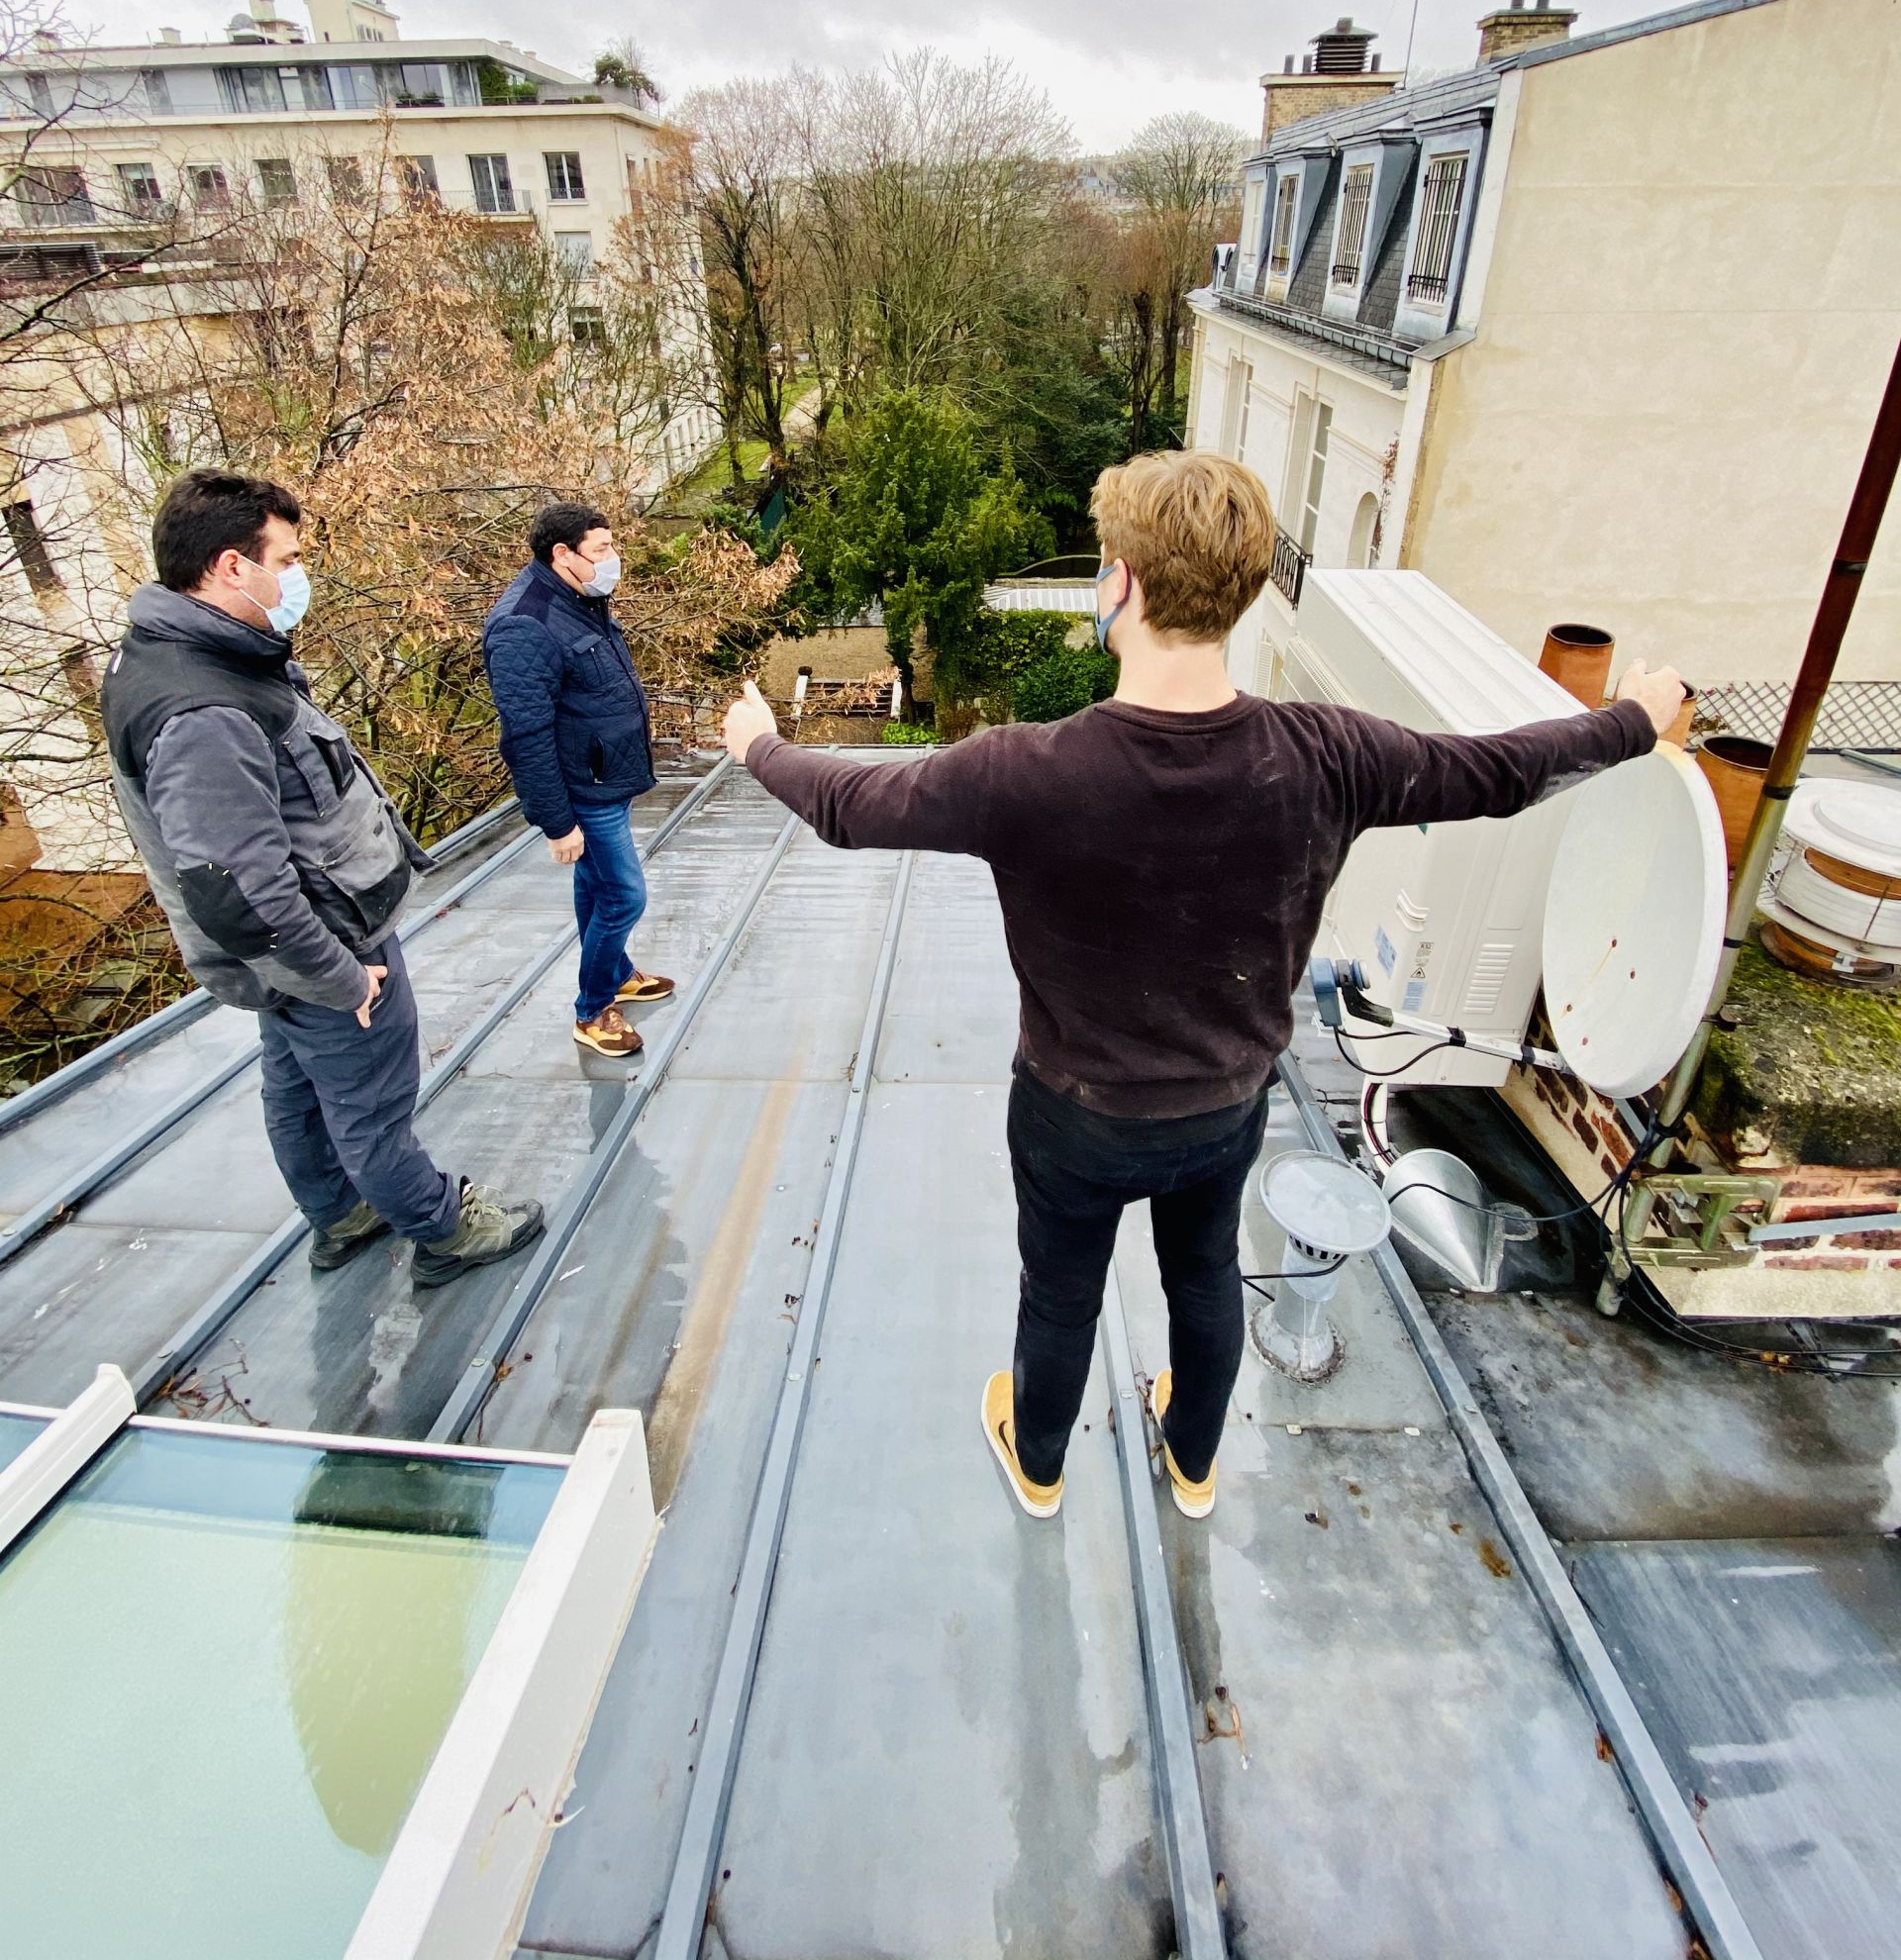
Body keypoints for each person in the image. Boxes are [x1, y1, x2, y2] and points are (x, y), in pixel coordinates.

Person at [721, 449, 1686, 1522]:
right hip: (1223, 1109)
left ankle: (1038, 1465)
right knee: (1203, 1276)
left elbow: (852, 808)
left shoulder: (1024, 770)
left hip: (1072, 1119)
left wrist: (760, 744)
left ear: (1121, 582)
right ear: (1241, 590)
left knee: (1061, 1293)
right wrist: (1636, 719)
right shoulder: (1328, 753)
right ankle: (1192, 1462)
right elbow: (1503, 773)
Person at [100, 469, 546, 1286]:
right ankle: (439, 1226)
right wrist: (343, 978)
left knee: (298, 1085)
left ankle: (341, 1214)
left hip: (296, 952)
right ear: (234, 567)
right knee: (368, 1103)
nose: (299, 574)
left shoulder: (195, 658)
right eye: (290, 557)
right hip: (324, 947)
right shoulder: (203, 708)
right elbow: (238, 889)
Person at [482, 500, 673, 1060]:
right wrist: (557, 822)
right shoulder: (525, 625)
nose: (614, 560)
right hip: (582, 791)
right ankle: (593, 1010)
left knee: (596, 887)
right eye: (603, 550)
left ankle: (617, 973)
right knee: (624, 896)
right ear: (561, 554)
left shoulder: (579, 598)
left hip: (606, 777)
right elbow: (526, 735)